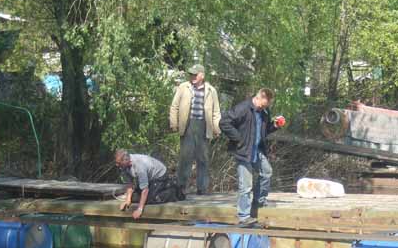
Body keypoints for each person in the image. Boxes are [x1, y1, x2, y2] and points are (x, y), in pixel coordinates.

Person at [219, 88, 285, 226]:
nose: (264, 107)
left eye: (267, 106)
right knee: (246, 185)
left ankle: (258, 203)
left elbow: (264, 131)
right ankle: (243, 216)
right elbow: (224, 122)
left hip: (257, 150)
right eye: (263, 104)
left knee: (266, 172)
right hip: (243, 151)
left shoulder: (264, 111)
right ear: (259, 97)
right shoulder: (243, 108)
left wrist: (275, 125)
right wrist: (238, 138)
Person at [169, 64, 221, 195]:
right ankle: (181, 187)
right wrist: (174, 123)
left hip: (204, 126)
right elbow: (174, 106)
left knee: (203, 158)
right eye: (191, 74)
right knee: (185, 157)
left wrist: (217, 128)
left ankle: (202, 188)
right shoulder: (183, 87)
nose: (192, 76)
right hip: (188, 124)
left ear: (202, 75)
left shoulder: (211, 90)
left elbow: (216, 112)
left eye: (195, 74)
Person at [115, 149, 184, 219]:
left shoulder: (139, 166)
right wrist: (127, 200)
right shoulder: (123, 166)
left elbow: (145, 190)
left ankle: (173, 192)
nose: (117, 165)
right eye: (116, 162)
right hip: (149, 177)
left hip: (160, 175)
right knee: (135, 197)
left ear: (126, 160)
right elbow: (130, 184)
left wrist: (139, 209)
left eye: (119, 163)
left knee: (150, 199)